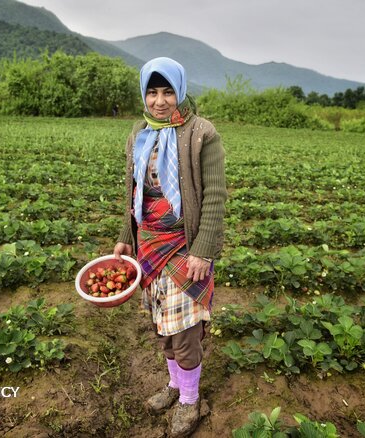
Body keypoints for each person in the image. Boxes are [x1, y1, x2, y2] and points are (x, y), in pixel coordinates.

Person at [113, 57, 227, 436]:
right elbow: (134, 194)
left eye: (167, 92)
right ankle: (175, 386)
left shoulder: (201, 133)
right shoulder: (138, 134)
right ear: (143, 94)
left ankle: (191, 402)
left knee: (185, 332)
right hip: (149, 248)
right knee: (163, 327)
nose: (159, 101)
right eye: (152, 91)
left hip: (185, 245)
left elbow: (214, 196)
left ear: (180, 91)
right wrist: (126, 239)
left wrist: (203, 250)